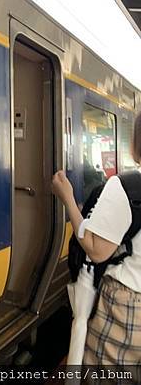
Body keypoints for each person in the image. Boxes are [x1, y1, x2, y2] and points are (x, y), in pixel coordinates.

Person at [51, 113, 141, 371]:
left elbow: (96, 249)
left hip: (128, 309)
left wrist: (67, 198)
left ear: (135, 143)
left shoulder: (126, 186)